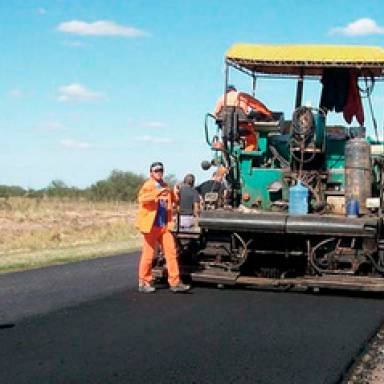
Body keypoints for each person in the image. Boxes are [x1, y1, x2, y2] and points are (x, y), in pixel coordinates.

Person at [135, 161, 191, 293]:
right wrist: (157, 193)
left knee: (171, 254)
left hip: (164, 226)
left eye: (161, 170)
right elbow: (142, 199)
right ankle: (144, 282)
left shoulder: (165, 186)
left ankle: (175, 282)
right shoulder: (148, 185)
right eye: (156, 170)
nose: (159, 172)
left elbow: (174, 200)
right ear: (151, 173)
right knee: (148, 255)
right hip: (151, 226)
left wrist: (176, 193)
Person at [214, 84, 273, 151]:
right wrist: (268, 114)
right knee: (252, 139)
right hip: (241, 126)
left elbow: (216, 114)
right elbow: (258, 105)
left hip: (226, 128)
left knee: (232, 138)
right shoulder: (242, 96)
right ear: (235, 90)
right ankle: (247, 154)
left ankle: (230, 151)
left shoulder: (221, 98)